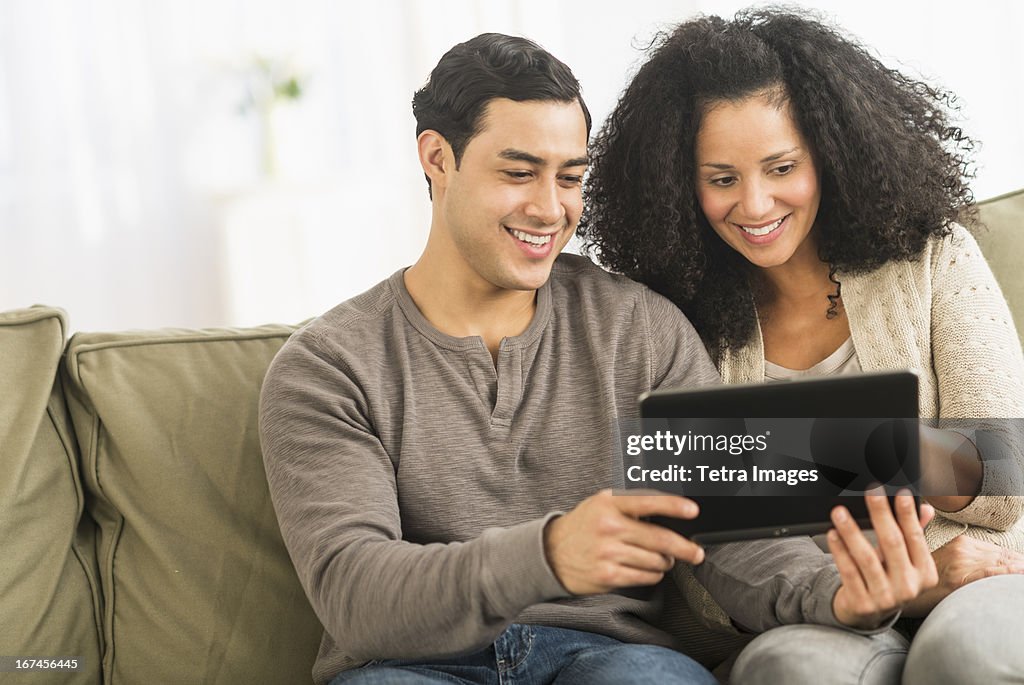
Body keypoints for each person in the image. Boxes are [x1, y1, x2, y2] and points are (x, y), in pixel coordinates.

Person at [260, 32, 936, 685]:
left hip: (612, 656)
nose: (550, 208)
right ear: (437, 158)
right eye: (519, 172)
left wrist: (838, 594)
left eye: (569, 177)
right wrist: (548, 554)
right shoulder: (328, 366)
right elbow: (357, 595)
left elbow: (733, 535)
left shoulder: (638, 330)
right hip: (408, 665)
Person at [579, 8, 1024, 684]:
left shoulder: (932, 258)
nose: (756, 205)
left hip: (970, 569)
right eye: (722, 178)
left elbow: (1004, 473)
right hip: (811, 612)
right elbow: (696, 545)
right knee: (790, 668)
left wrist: (802, 449)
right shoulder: (670, 315)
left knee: (965, 655)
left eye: (782, 167)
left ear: (831, 152)